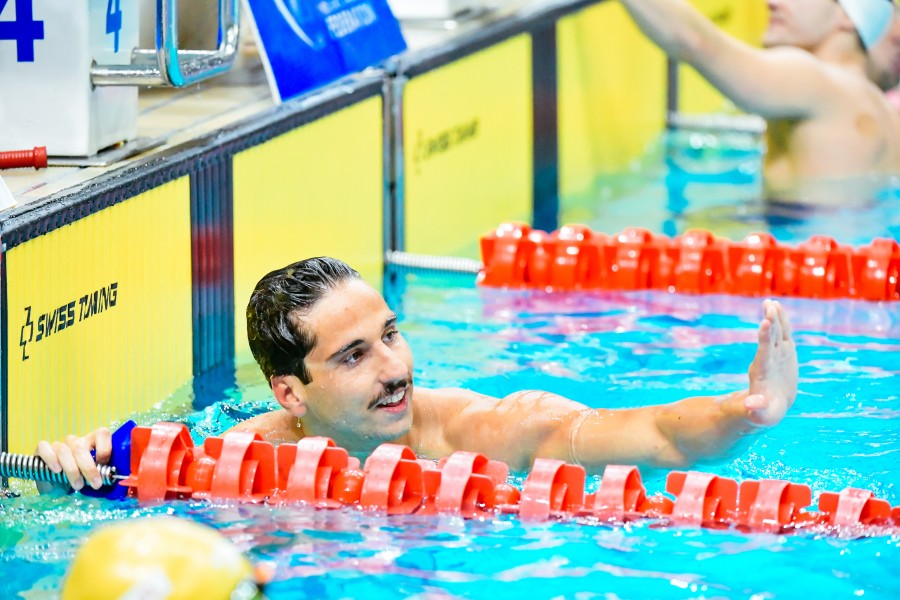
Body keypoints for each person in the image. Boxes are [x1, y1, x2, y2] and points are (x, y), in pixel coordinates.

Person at [37, 256, 798, 490]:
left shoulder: (485, 431)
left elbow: (654, 435)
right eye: (354, 355)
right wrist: (77, 467)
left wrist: (746, 410)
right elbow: (111, 465)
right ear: (289, 392)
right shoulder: (241, 449)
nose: (395, 368)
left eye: (391, 335)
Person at [621, 0, 900, 203]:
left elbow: (695, 42)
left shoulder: (816, 81)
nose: (771, 2)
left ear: (846, 15)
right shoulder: (885, 111)